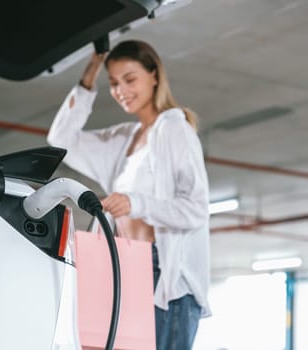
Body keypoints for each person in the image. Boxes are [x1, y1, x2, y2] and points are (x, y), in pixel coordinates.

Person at [47, 39, 210, 349]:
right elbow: (61, 139)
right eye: (114, 82)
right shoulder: (125, 138)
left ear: (154, 76)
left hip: (163, 278)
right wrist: (91, 72)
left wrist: (136, 203)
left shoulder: (175, 131)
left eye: (130, 79)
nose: (121, 89)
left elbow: (196, 209)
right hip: (125, 266)